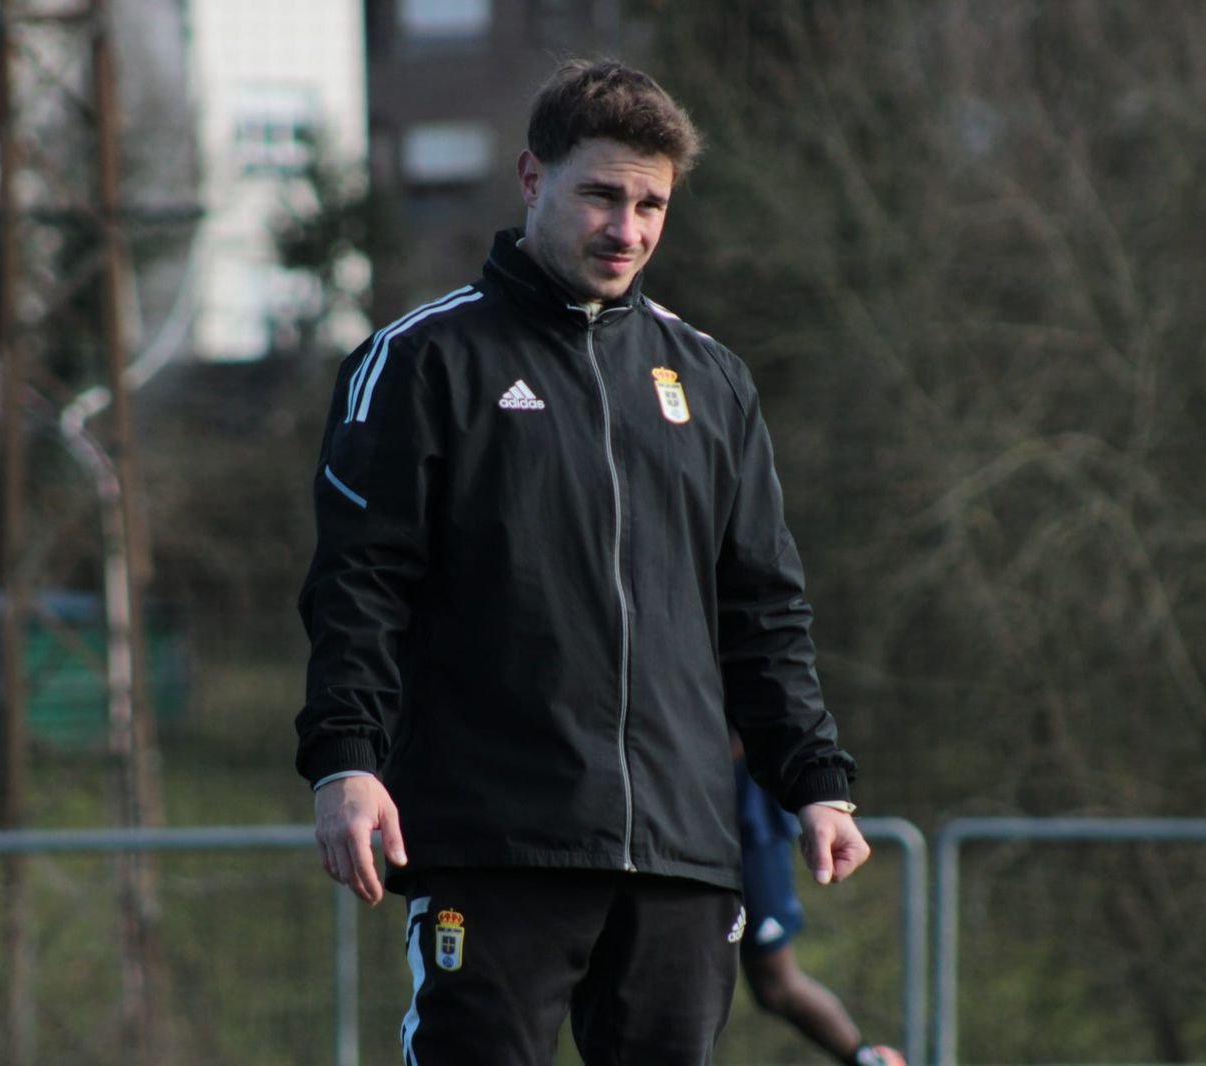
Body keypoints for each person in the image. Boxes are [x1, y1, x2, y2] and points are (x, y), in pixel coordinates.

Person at [295, 58, 871, 1065]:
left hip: (684, 855)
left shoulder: (712, 382)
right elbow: (359, 585)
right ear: (532, 177)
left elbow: (763, 609)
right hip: (496, 840)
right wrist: (346, 758)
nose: (629, 227)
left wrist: (813, 778)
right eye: (603, 193)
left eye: (651, 203)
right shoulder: (425, 360)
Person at [734, 737, 905, 1066]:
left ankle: (869, 1060)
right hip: (653, 818)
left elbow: (764, 707)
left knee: (773, 981)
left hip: (745, 814)